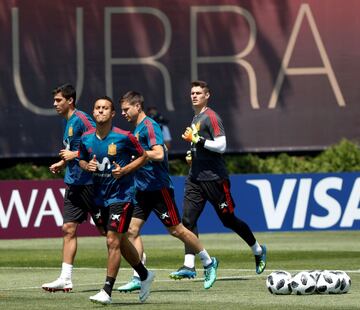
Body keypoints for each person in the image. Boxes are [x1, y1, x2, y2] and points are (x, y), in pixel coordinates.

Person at [117, 91, 218, 292]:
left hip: (158, 189)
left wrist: (142, 155)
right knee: (131, 231)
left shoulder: (149, 126)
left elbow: (159, 152)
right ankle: (140, 275)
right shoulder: (136, 129)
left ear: (138, 106)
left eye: (126, 109)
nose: (123, 113)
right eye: (121, 110)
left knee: (176, 230)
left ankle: (208, 262)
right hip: (142, 190)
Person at [169, 80, 267, 280]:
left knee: (228, 220)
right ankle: (189, 265)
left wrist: (197, 141)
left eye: (198, 93)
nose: (194, 95)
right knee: (187, 220)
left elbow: (221, 146)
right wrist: (192, 154)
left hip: (215, 179)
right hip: (195, 178)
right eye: (192, 93)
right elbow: (201, 146)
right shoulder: (196, 117)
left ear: (207, 95)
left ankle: (258, 250)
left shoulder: (211, 117)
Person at [78, 96, 154, 305]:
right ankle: (144, 274)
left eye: (105, 108)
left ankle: (107, 290)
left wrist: (126, 169)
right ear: (93, 113)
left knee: (112, 240)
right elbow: (81, 158)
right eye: (97, 108)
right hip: (99, 197)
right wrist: (87, 166)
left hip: (122, 195)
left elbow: (143, 156)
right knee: (117, 240)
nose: (101, 111)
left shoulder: (124, 137)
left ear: (112, 114)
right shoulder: (86, 138)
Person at [42, 83, 105, 293]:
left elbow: (98, 144)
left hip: (90, 184)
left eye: (58, 100)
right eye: (54, 100)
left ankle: (140, 267)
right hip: (73, 183)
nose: (54, 104)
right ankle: (65, 279)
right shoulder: (67, 122)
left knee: (107, 232)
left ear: (70, 101)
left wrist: (75, 156)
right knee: (68, 229)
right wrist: (64, 162)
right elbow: (76, 149)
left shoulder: (83, 119)